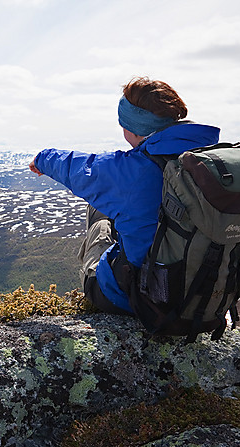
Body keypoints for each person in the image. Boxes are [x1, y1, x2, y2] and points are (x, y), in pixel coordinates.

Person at [29, 77, 220, 315]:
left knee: (99, 213)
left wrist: (41, 159)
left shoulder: (133, 170)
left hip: (139, 298)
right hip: (204, 298)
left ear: (131, 126)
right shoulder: (209, 161)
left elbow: (79, 169)